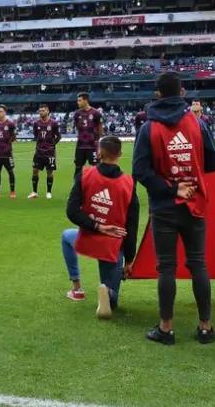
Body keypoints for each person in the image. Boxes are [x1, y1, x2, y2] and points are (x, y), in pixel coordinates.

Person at [134, 72, 215, 345]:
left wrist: (171, 187)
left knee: (167, 268)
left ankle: (166, 328)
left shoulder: (148, 127)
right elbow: (214, 163)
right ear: (182, 92)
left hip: (164, 206)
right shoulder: (197, 123)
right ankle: (205, 327)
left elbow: (140, 170)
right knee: (198, 264)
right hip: (194, 202)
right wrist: (189, 174)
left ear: (158, 94)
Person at [61, 136, 140, 320]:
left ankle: (77, 288)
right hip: (112, 247)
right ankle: (108, 292)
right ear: (119, 154)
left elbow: (71, 211)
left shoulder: (85, 175)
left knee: (66, 236)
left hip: (87, 238)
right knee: (111, 298)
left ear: (99, 153)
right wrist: (129, 260)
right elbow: (132, 225)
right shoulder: (129, 184)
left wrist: (96, 225)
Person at [30, 105, 60, 199]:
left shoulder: (53, 123)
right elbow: (36, 135)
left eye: (43, 111)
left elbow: (58, 136)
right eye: (40, 111)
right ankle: (34, 192)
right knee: (35, 170)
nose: (41, 112)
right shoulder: (36, 123)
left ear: (47, 111)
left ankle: (49, 192)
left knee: (49, 172)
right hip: (38, 152)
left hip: (50, 153)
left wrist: (52, 145)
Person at [72, 92, 104, 179]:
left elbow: (100, 129)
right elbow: (78, 127)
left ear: (85, 100)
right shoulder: (77, 114)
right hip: (80, 146)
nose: (77, 102)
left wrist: (97, 142)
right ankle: (77, 188)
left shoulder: (96, 113)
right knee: (78, 167)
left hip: (92, 146)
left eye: (79, 100)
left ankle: (96, 187)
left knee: (96, 167)